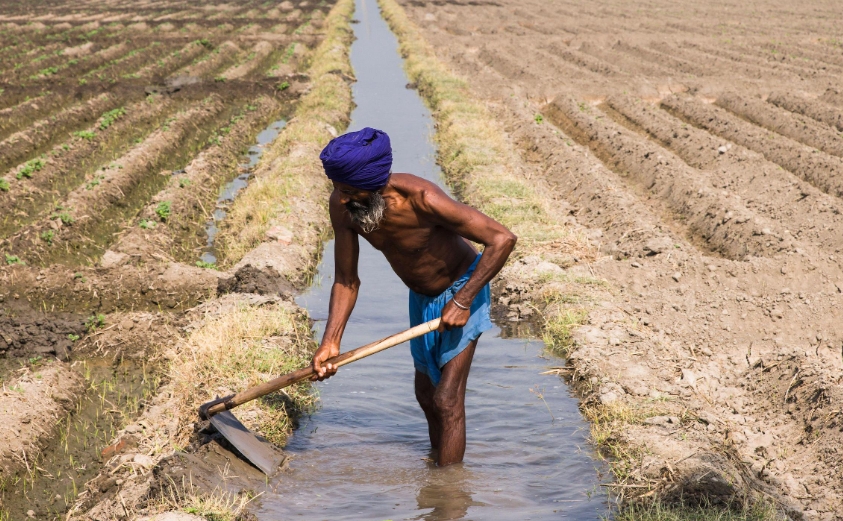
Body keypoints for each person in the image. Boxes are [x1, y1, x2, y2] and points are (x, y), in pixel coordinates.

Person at [310, 127, 517, 466]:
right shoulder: (344, 207)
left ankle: (448, 497)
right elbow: (346, 280)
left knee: (447, 399)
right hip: (420, 298)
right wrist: (331, 341)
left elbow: (501, 239)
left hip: (462, 290)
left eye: (349, 190)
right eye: (337, 189)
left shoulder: (423, 199)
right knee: (425, 395)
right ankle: (437, 463)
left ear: (375, 183)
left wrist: (463, 300)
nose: (342, 198)